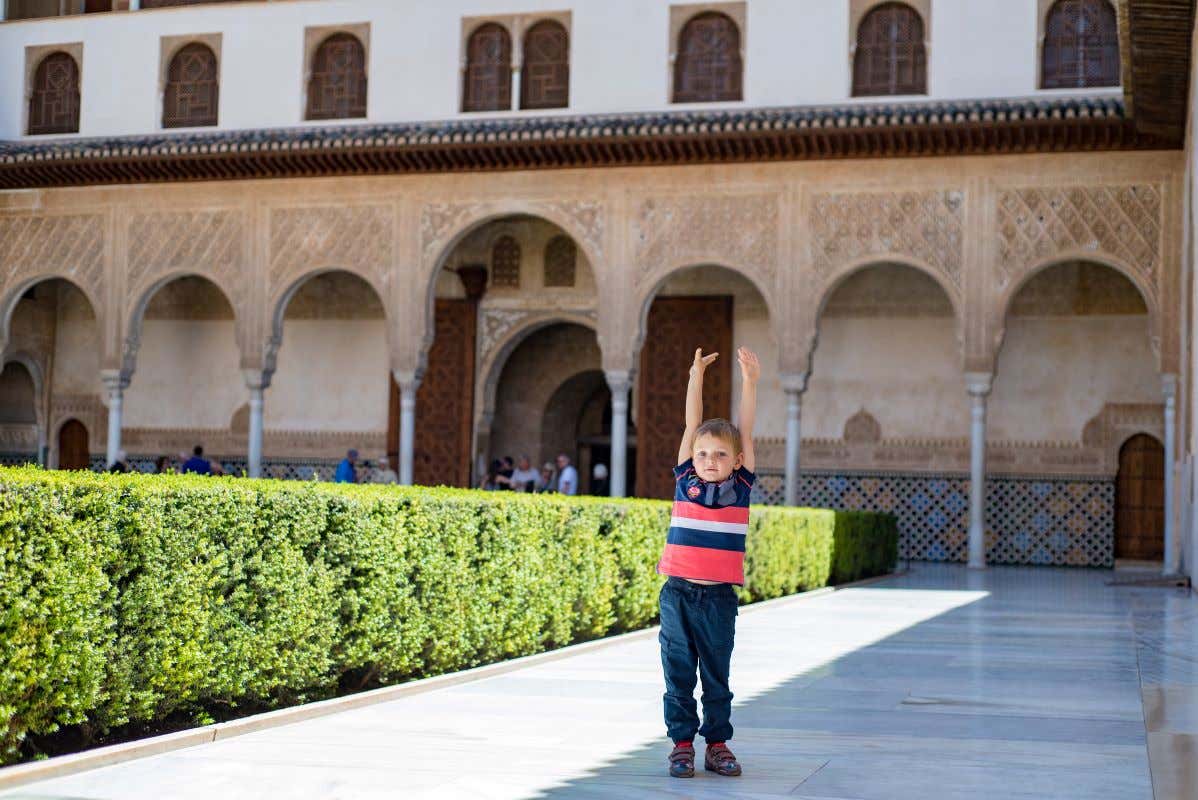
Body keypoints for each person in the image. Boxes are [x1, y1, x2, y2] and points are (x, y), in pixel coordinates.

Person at [659, 346, 759, 780]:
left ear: (736, 460)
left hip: (718, 598)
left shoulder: (741, 487)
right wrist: (695, 377)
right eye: (703, 454)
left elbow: (746, 430)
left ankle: (717, 745)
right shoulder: (686, 480)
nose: (709, 461)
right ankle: (681, 745)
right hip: (677, 594)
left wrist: (750, 382)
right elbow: (692, 424)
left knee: (717, 676)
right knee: (678, 673)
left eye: (720, 455)